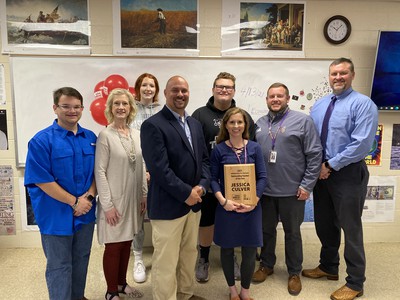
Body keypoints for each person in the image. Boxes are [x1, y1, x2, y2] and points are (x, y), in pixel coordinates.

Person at [302, 58, 378, 300]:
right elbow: (312, 139)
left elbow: (362, 145)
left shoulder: (363, 104)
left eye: (343, 73)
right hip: (322, 173)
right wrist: (317, 167)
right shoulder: (320, 105)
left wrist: (330, 165)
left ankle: (355, 283)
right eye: (334, 73)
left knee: (350, 227)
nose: (338, 77)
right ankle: (328, 267)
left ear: (352, 75)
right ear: (329, 76)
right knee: (324, 223)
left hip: (347, 173)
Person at [140, 76, 210, 300]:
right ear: (166, 93)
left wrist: (202, 186)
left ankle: (186, 294)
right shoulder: (153, 125)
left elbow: (205, 161)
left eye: (184, 91)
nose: (180, 95)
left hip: (194, 205)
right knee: (166, 261)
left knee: (189, 254)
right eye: (175, 90)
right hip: (168, 205)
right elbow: (159, 169)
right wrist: (186, 193)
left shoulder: (194, 124)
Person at [24, 87, 96, 300]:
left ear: (82, 109)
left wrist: (88, 199)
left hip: (86, 213)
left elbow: (97, 174)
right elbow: (42, 180)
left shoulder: (90, 138)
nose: (72, 111)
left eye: (76, 107)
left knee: (81, 259)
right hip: (55, 215)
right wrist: (75, 202)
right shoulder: (41, 141)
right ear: (55, 108)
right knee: (59, 265)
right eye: (66, 106)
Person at [252, 83, 322, 296]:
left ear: (287, 98)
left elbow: (315, 154)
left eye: (279, 96)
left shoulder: (303, 121)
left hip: (293, 191)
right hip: (265, 191)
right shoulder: (259, 124)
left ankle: (294, 273)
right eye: (271, 96)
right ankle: (266, 265)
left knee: (292, 234)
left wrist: (306, 185)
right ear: (266, 99)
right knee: (266, 231)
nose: (275, 99)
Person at [192, 72, 256, 283]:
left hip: (237, 181)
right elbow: (195, 150)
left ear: (234, 91)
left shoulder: (243, 115)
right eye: (220, 86)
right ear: (213, 89)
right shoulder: (199, 115)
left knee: (234, 220)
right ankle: (203, 258)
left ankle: (232, 258)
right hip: (209, 180)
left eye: (228, 87)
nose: (224, 90)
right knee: (207, 220)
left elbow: (252, 149)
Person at [210, 107, 267, 300]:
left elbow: (262, 176)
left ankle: (245, 290)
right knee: (226, 250)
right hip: (228, 208)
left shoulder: (254, 148)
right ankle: (232, 290)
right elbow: (212, 179)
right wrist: (223, 201)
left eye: (239, 122)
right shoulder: (219, 149)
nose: (236, 126)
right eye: (232, 122)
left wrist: (254, 201)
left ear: (245, 125)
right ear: (226, 125)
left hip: (251, 208)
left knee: (250, 251)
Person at [95, 88, 145, 300]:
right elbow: (99, 171)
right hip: (114, 200)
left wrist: (144, 194)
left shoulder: (136, 134)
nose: (121, 107)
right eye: (117, 104)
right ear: (110, 108)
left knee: (127, 242)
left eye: (125, 104)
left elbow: (142, 164)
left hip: (133, 199)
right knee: (114, 245)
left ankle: (122, 283)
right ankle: (111, 291)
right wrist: (107, 205)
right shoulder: (105, 135)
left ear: (131, 108)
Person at [130, 73, 162, 283]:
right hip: (135, 171)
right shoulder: (129, 110)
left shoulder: (162, 111)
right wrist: (142, 169)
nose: (148, 88)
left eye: (152, 85)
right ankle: (138, 257)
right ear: (138, 88)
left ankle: (161, 259)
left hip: (158, 172)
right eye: (144, 85)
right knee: (137, 217)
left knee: (160, 216)